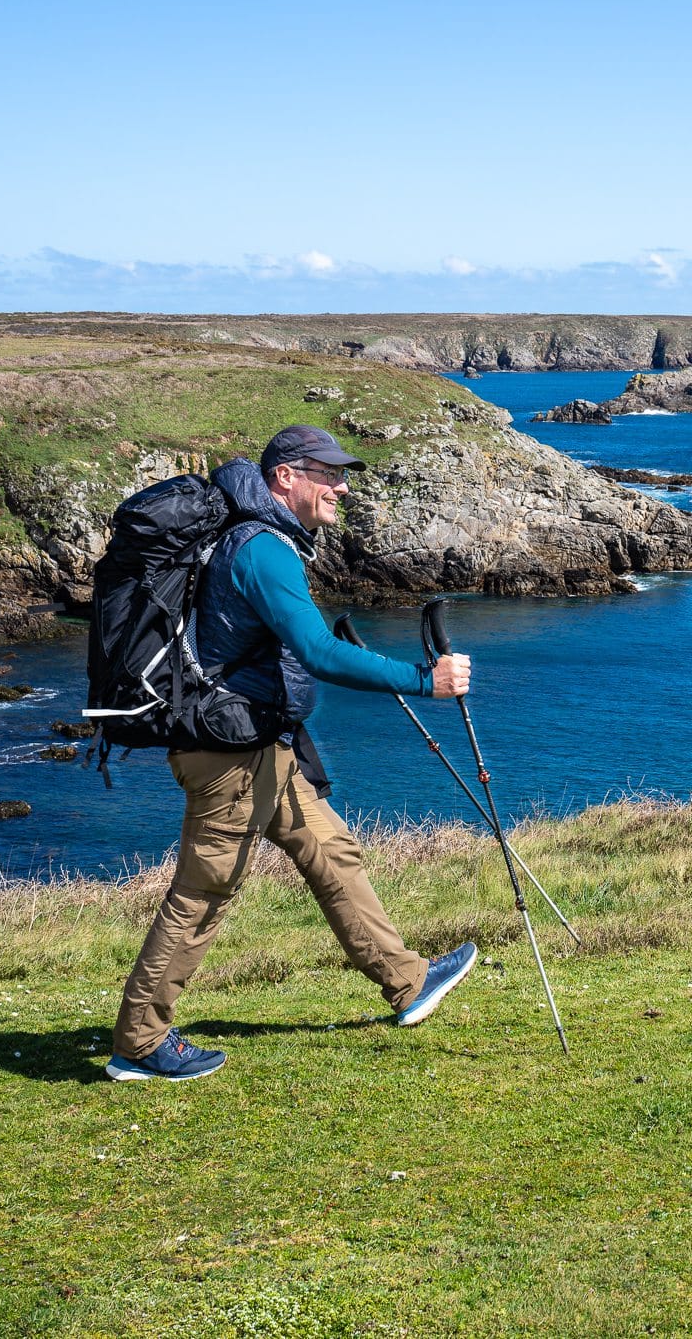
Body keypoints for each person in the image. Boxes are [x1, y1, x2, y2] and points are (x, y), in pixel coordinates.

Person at [107, 424, 477, 1081]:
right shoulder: (263, 550)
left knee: (329, 849)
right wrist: (427, 680)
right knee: (204, 892)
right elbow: (320, 652)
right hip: (228, 756)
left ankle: (407, 980)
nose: (340, 486)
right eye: (327, 473)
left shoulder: (261, 539)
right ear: (286, 478)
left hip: (256, 746)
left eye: (342, 474)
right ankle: (139, 1040)